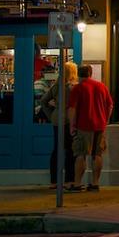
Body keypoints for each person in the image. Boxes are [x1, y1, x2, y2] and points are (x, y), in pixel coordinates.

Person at [67, 64, 113, 192]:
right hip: (100, 126)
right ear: (90, 73)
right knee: (97, 154)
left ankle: (77, 184)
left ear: (78, 74)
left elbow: (72, 109)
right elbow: (110, 106)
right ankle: (95, 183)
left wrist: (72, 125)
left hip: (83, 126)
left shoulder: (78, 88)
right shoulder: (102, 86)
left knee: (80, 154)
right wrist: (105, 120)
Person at [40, 61, 78, 189]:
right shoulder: (72, 87)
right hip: (69, 119)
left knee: (57, 149)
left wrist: (51, 115)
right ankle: (69, 180)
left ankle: (54, 181)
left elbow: (43, 101)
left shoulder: (56, 86)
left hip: (57, 119)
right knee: (70, 150)